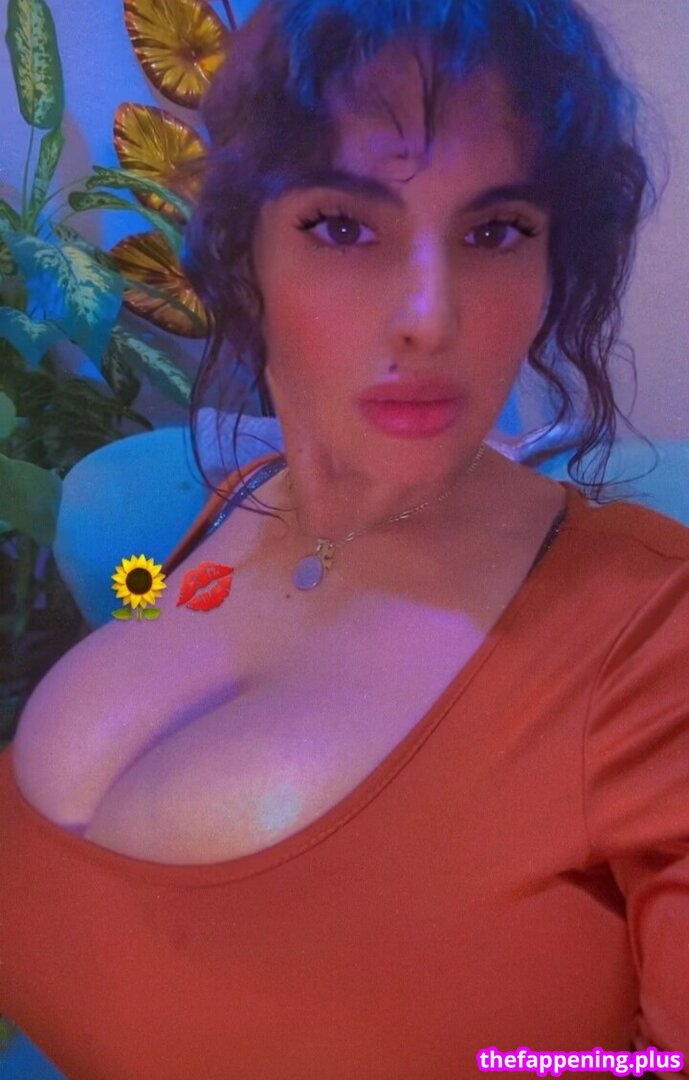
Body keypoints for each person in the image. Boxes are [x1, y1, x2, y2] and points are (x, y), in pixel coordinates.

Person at [0, 0, 686, 1077]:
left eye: (495, 231)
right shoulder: (222, 504)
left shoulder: (652, 639)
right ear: (244, 254)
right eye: (342, 226)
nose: (428, 317)